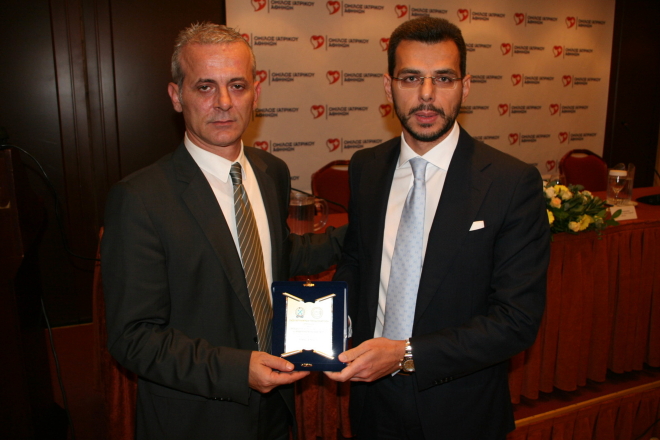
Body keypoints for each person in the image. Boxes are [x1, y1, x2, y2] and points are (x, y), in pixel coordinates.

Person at [101, 22, 344, 440]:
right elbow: (133, 338)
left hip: (276, 408)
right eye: (205, 87)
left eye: (237, 85)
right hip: (196, 417)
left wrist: (371, 228)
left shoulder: (271, 172)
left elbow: (278, 256)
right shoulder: (139, 198)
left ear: (256, 92)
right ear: (176, 96)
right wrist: (238, 370)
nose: (224, 103)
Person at [326, 17, 551, 440]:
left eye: (443, 78)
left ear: (465, 87)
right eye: (411, 78)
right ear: (388, 86)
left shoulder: (510, 182)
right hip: (372, 401)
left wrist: (405, 354)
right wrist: (331, 324)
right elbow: (356, 260)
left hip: (460, 409)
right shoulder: (366, 168)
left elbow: (516, 321)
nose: (427, 94)